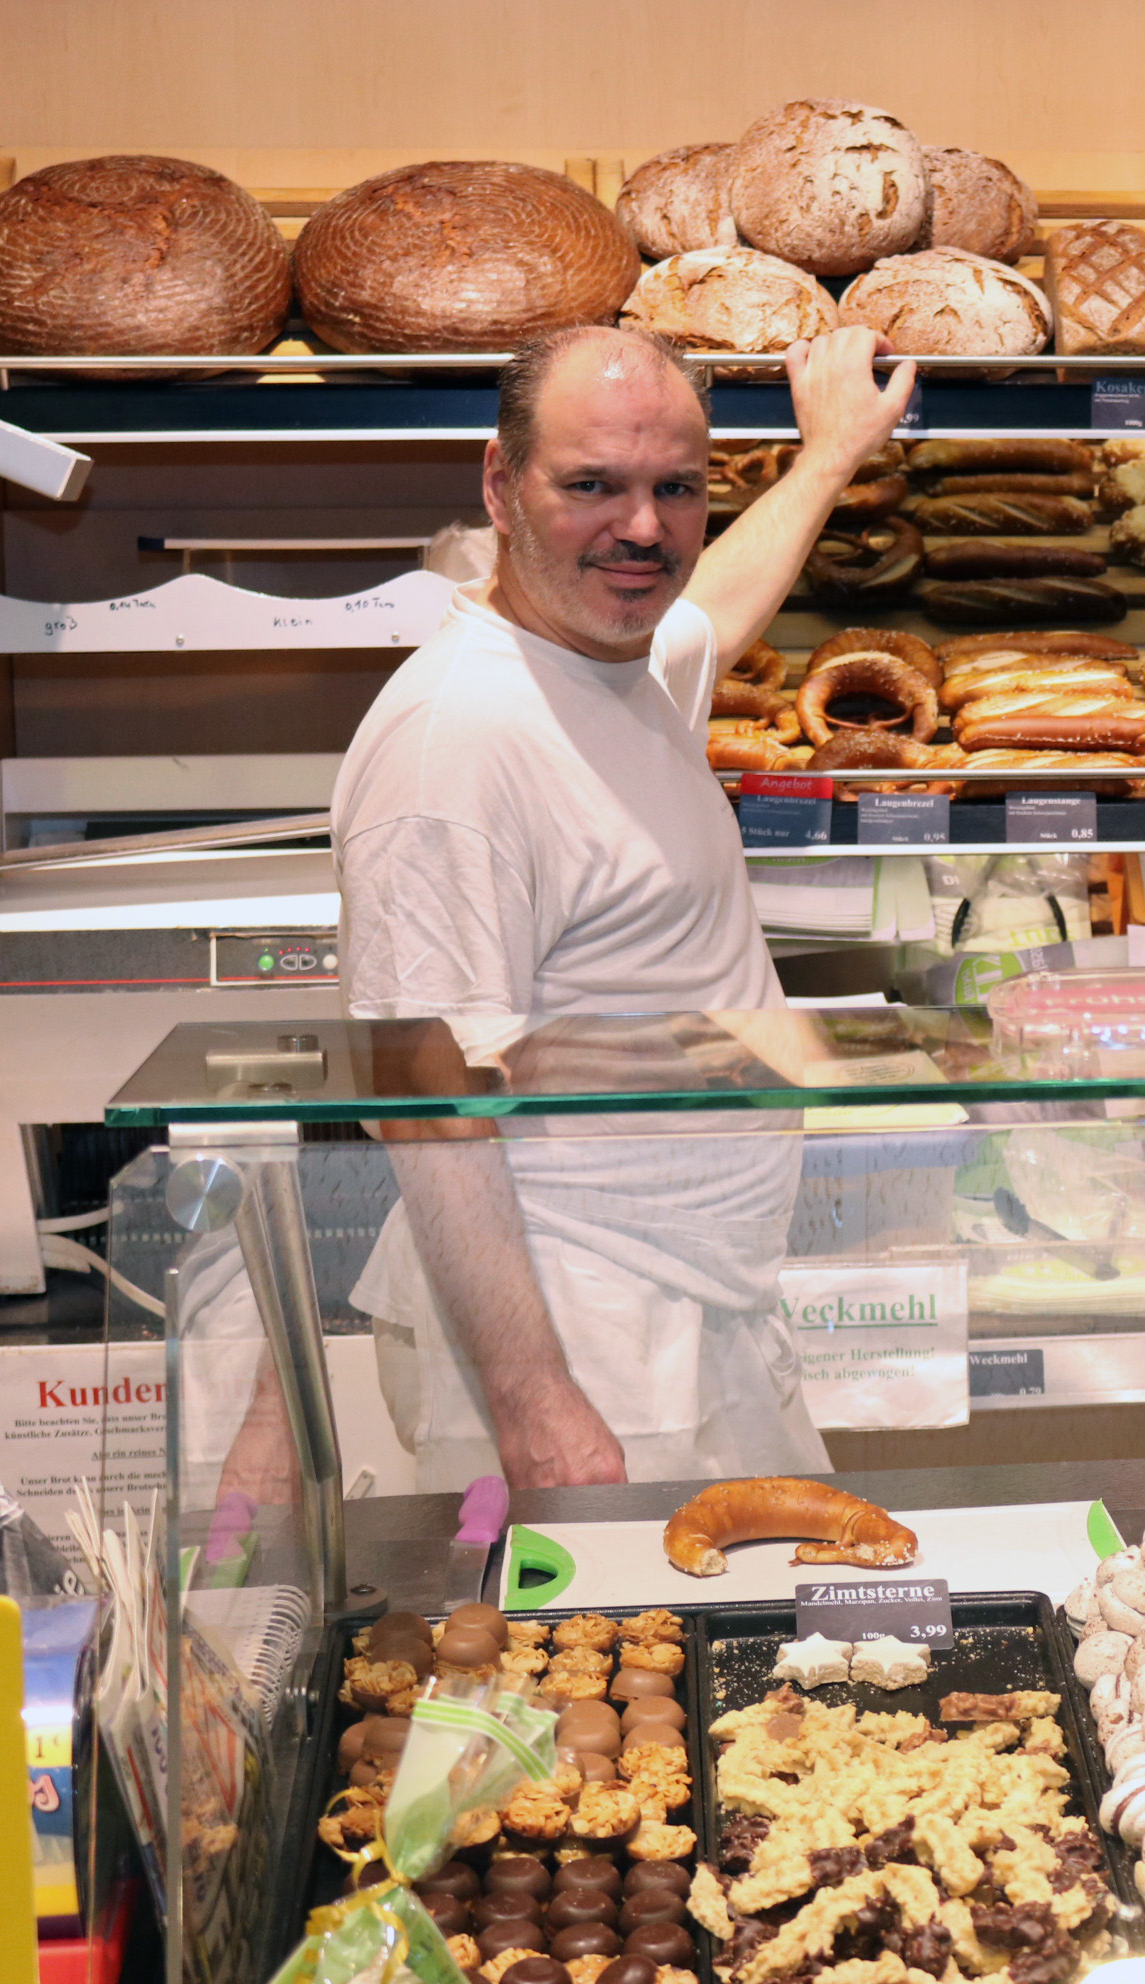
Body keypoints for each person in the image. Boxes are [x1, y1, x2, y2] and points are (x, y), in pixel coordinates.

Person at [330, 322, 915, 1489]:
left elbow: (719, 608)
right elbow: (421, 1091)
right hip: (579, 1331)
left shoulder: (613, 657)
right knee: (602, 1671)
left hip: (690, 1309)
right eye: (591, 485)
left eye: (675, 489)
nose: (642, 528)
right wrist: (534, 1398)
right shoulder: (458, 743)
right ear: (499, 484)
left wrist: (829, 454)